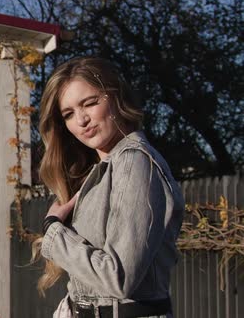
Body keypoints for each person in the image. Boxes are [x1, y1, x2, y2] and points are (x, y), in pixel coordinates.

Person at [33, 56, 184, 318]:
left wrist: (53, 231)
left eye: (90, 103)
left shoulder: (135, 161)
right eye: (68, 114)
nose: (81, 120)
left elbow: (118, 277)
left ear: (115, 97)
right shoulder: (101, 173)